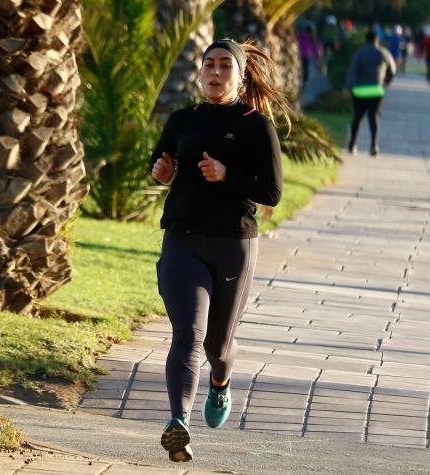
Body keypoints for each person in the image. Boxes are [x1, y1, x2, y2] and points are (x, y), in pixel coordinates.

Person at [150, 38, 292, 462]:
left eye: (225, 65)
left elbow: (271, 192)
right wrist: (162, 172)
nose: (215, 71)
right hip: (182, 239)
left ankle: (222, 380)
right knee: (187, 333)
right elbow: (162, 163)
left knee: (217, 346)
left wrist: (228, 174)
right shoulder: (182, 120)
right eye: (208, 64)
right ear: (200, 72)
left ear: (240, 74)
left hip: (233, 245)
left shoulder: (256, 125)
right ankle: (180, 422)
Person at [344, 30, 396, 157]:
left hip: (359, 91)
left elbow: (352, 71)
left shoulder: (359, 54)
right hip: (376, 91)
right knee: (373, 118)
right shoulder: (384, 53)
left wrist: (347, 87)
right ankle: (373, 145)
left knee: (357, 118)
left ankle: (352, 144)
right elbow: (393, 70)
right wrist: (387, 80)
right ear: (377, 40)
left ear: (365, 40)